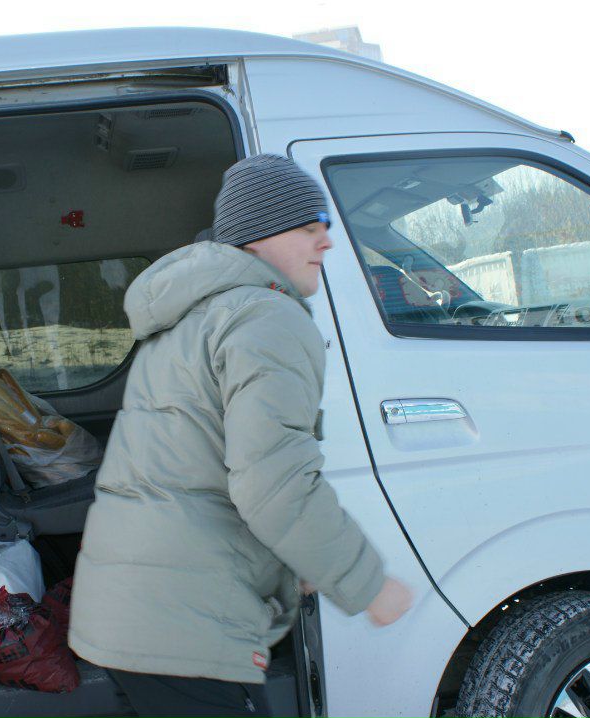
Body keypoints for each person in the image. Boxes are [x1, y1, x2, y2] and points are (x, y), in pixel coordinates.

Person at [69, 154, 413, 717]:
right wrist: (368, 585)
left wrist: (293, 565)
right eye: (309, 228)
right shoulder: (266, 318)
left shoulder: (190, 315)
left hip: (131, 612)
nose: (325, 243)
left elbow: (201, 464)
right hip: (184, 624)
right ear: (260, 236)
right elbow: (273, 485)